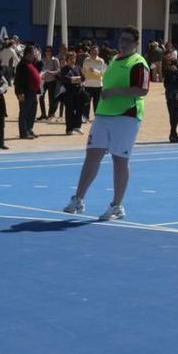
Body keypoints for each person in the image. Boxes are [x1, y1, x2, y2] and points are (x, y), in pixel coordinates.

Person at [63, 26, 149, 221]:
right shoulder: (114, 60)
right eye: (122, 39)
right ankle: (78, 199)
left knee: (120, 160)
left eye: (128, 40)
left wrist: (115, 92)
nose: (123, 42)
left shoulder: (138, 63)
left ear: (136, 43)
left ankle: (117, 205)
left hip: (126, 115)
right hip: (104, 113)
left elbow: (142, 90)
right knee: (92, 154)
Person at [14, 46, 42, 139]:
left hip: (33, 92)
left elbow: (40, 67)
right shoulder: (22, 65)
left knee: (32, 112)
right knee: (24, 113)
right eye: (33, 53)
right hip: (25, 92)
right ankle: (23, 133)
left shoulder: (31, 63)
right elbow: (18, 81)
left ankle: (29, 129)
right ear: (28, 54)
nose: (34, 55)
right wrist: (19, 93)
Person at [58, 50, 86, 135]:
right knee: (69, 111)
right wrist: (74, 80)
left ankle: (77, 127)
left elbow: (83, 78)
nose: (73, 60)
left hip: (78, 92)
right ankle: (69, 129)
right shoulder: (64, 69)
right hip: (69, 93)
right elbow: (64, 79)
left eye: (74, 58)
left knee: (79, 109)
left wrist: (77, 80)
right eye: (71, 58)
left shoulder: (78, 67)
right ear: (67, 59)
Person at [163, 53, 178, 143]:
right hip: (170, 96)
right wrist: (171, 73)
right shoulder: (168, 72)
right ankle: (173, 134)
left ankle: (173, 134)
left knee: (176, 117)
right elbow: (166, 84)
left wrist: (176, 72)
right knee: (172, 116)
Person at [82, 46, 106, 120]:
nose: (94, 52)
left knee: (97, 103)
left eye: (96, 51)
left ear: (98, 52)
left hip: (98, 85)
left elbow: (103, 73)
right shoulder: (86, 60)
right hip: (88, 84)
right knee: (86, 102)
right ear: (90, 52)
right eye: (93, 51)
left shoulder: (101, 61)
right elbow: (84, 71)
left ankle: (97, 117)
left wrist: (94, 71)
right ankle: (85, 116)